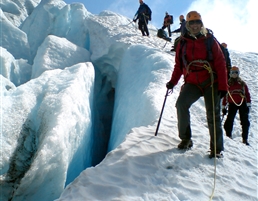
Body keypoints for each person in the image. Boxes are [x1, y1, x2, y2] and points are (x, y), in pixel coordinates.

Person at [166, 11, 228, 158]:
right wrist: (172, 82)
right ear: (187, 25)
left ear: (201, 24)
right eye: (192, 23)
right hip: (192, 82)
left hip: (211, 81)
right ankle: (186, 139)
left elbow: (220, 63)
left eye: (197, 23)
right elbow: (178, 66)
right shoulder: (182, 43)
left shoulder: (210, 40)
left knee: (213, 114)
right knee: (181, 104)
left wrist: (223, 87)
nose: (195, 26)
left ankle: (216, 149)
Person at [222, 66, 251, 145]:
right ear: (230, 73)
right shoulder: (228, 84)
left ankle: (245, 139)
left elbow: (247, 94)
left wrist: (248, 104)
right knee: (229, 120)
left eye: (236, 73)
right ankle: (228, 135)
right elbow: (225, 96)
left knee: (245, 121)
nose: (234, 74)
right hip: (232, 103)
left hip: (242, 103)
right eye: (233, 73)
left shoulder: (242, 84)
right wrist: (223, 106)